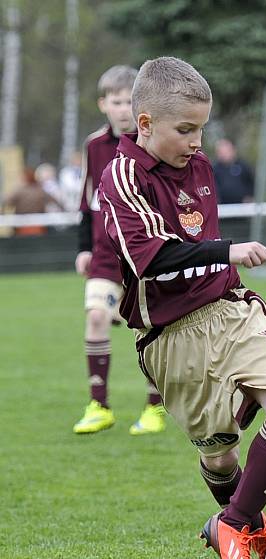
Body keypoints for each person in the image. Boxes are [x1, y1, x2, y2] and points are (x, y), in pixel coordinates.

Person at [99, 57, 266, 559]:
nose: (197, 142)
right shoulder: (121, 175)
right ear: (144, 124)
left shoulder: (199, 166)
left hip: (229, 309)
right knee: (219, 456)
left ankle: (233, 524)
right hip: (169, 337)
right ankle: (248, 524)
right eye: (185, 130)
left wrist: (224, 263)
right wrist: (227, 249)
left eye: (202, 129)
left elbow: (201, 248)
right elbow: (150, 256)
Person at [72, 65, 168, 436]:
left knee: (149, 328)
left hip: (144, 254)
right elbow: (88, 198)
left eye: (130, 101)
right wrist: (83, 248)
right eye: (117, 101)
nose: (124, 108)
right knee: (96, 317)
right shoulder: (94, 146)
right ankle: (99, 404)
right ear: (103, 104)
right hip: (104, 252)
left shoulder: (150, 143)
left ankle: (154, 408)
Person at [4, 167, 63, 236]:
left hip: (22, 226)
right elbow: (56, 201)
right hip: (40, 226)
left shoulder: (19, 191)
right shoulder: (40, 190)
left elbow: (6, 202)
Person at [212, 138, 254, 204]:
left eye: (226, 151)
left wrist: (249, 197)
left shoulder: (243, 166)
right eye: (220, 152)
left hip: (242, 207)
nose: (223, 154)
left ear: (233, 150)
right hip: (222, 207)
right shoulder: (213, 169)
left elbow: (251, 183)